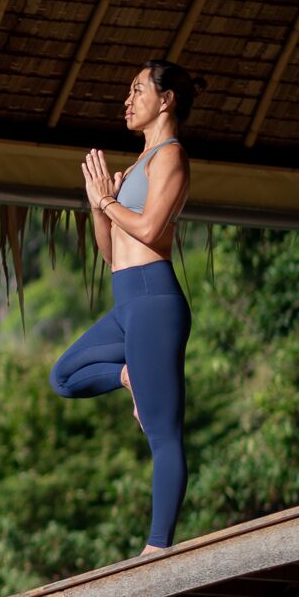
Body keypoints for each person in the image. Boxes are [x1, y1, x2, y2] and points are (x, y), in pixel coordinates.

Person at [47, 60, 205, 556]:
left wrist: (111, 203)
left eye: (137, 90)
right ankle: (127, 377)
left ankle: (158, 547)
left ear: (166, 99)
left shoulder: (170, 158)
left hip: (155, 302)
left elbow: (153, 228)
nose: (127, 100)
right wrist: (99, 207)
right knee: (64, 377)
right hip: (126, 300)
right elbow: (114, 251)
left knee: (163, 435)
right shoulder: (135, 166)